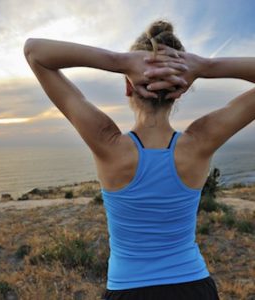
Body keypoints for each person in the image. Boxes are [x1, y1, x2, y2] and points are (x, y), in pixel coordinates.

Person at [24, 19, 255, 300]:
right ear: (181, 90)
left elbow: (34, 51)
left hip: (128, 290)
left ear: (128, 86)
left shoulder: (107, 142)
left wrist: (119, 61)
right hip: (194, 287)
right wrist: (204, 66)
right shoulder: (200, 143)